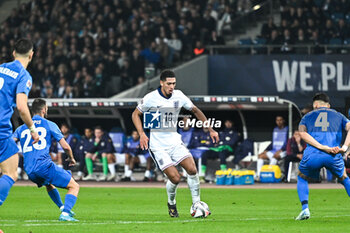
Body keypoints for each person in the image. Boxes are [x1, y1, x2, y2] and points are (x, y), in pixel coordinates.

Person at [132, 69, 219, 217]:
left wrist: (210, 129)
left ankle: (196, 203)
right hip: (158, 146)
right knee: (175, 178)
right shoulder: (151, 98)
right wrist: (142, 134)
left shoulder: (179, 96)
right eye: (169, 83)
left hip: (174, 142)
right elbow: (135, 114)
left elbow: (196, 110)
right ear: (161, 83)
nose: (172, 86)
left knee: (192, 169)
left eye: (174, 83)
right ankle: (171, 203)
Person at [13, 98, 79, 221]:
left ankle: (62, 207)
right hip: (43, 165)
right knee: (74, 186)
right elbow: (65, 146)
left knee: (48, 184)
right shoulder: (50, 124)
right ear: (44, 110)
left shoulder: (21, 128)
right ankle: (65, 214)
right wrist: (71, 158)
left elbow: (10, 144)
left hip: (29, 170)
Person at [295, 93, 350, 220]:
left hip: (313, 155)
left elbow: (302, 134)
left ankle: (305, 209)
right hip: (334, 155)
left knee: (302, 177)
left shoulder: (307, 116)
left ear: (315, 105)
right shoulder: (338, 115)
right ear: (328, 106)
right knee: (345, 179)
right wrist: (345, 148)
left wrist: (321, 147)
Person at [0, 38, 39, 206]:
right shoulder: (23, 76)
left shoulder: (0, 68)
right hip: (1, 129)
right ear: (31, 55)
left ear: (13, 53)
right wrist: (32, 128)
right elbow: (22, 107)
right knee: (10, 173)